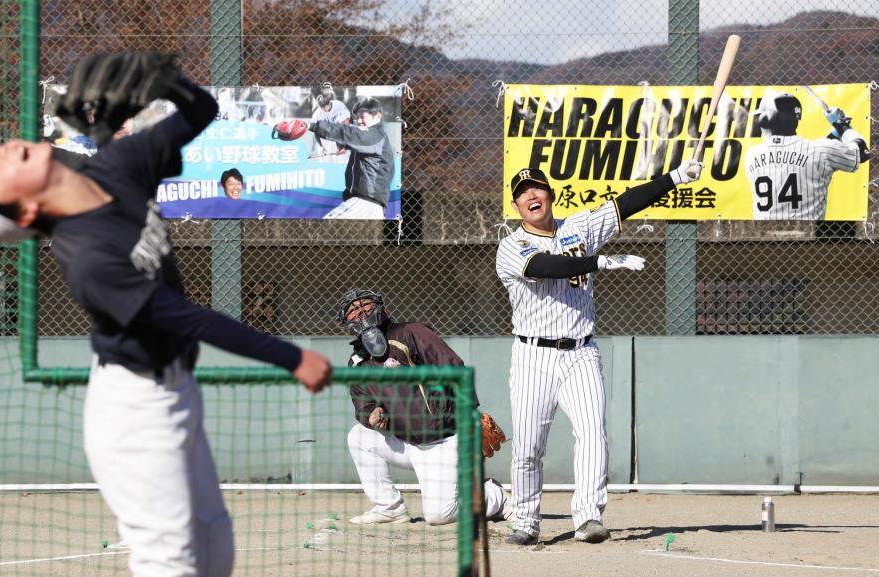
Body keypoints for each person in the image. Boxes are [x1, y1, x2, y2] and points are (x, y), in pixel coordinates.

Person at [0, 52, 332, 577]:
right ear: (24, 212)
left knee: (215, 544)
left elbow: (201, 112)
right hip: (134, 411)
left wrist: (166, 82)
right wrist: (291, 357)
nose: (1, 151)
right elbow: (187, 315)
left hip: (177, 388)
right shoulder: (89, 262)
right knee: (169, 560)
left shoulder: (115, 167)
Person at [496, 160, 702, 546]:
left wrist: (675, 177)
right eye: (522, 193)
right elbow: (545, 265)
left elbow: (628, 203)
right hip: (532, 357)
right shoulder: (511, 246)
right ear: (517, 206)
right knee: (527, 446)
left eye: (537, 188)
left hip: (580, 352)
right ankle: (525, 520)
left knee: (593, 433)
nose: (530, 196)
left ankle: (588, 517)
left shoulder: (579, 227)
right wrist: (600, 261)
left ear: (550, 194)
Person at [336, 288, 506, 526]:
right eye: (352, 311)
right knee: (359, 436)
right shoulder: (357, 363)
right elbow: (363, 404)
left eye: (365, 305)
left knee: (439, 515)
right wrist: (371, 415)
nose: (360, 313)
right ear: (346, 323)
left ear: (383, 309)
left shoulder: (411, 333)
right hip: (407, 442)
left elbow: (454, 367)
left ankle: (495, 496)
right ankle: (389, 507)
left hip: (442, 440)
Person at [745, 90, 869, 220]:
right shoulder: (820, 150)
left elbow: (808, 156)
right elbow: (861, 152)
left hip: (764, 237)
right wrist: (842, 126)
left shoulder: (752, 156)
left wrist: (834, 135)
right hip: (809, 237)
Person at [309, 98, 394, 219]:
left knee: (322, 230)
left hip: (365, 203)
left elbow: (346, 132)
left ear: (377, 117)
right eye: (357, 117)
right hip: (368, 205)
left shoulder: (376, 135)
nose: (358, 121)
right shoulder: (374, 138)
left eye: (362, 117)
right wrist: (343, 145)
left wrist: (312, 126)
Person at [309, 82, 351, 160]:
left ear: (329, 103)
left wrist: (343, 145)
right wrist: (321, 146)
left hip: (341, 138)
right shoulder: (317, 114)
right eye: (321, 107)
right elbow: (316, 132)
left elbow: (347, 123)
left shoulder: (339, 105)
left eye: (325, 107)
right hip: (325, 140)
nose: (324, 109)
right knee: (324, 162)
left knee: (341, 162)